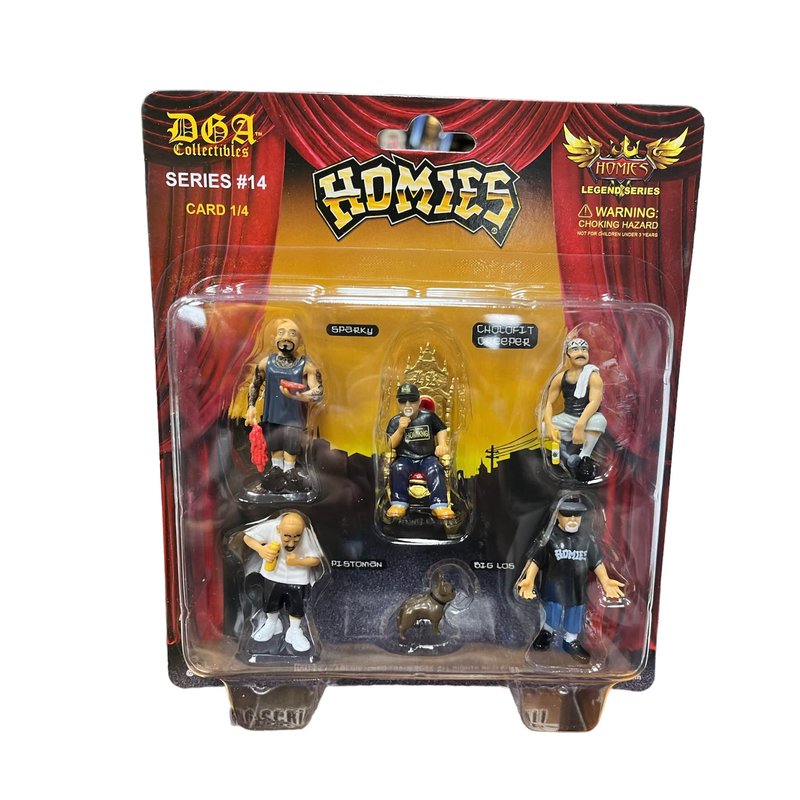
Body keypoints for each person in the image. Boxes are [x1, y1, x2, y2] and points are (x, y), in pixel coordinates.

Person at [515, 496, 625, 663]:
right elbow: (536, 560)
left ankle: (570, 641)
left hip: (577, 589)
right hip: (554, 586)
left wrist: (606, 581)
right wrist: (529, 580)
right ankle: (547, 632)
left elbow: (597, 562)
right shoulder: (549, 538)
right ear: (557, 515)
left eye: (577, 515)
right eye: (567, 514)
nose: (573, 519)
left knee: (575, 614)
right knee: (553, 611)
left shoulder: (586, 539)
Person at [244, 318, 322, 493]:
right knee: (275, 446)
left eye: (292, 334)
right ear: (275, 338)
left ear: (300, 341)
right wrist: (251, 406)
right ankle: (276, 472)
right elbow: (254, 385)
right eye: (281, 332)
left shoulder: (306, 366)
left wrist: (300, 395)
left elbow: (318, 391)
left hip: (294, 418)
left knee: (291, 447)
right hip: (271, 415)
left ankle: (290, 473)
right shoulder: (266, 363)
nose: (286, 337)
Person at [242, 511, 324, 653]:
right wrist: (261, 550)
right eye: (287, 537)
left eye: (296, 537)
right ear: (279, 529)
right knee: (270, 603)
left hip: (298, 579)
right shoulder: (271, 527)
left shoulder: (306, 534)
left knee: (296, 607)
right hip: (272, 576)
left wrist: (298, 561)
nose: (291, 543)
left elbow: (316, 559)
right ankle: (272, 624)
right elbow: (247, 537)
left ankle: (294, 631)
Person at [385, 383, 455, 520]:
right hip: (405, 458)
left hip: (427, 457)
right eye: (403, 401)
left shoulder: (429, 417)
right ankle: (399, 503)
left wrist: (442, 444)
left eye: (412, 400)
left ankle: (439, 504)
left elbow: (441, 429)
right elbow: (390, 444)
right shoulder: (395, 421)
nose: (407, 405)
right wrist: (400, 429)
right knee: (398, 468)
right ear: (398, 403)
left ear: (418, 402)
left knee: (435, 468)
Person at [543, 337, 606, 481]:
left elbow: (594, 402)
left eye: (584, 349)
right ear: (567, 354)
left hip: (587, 417)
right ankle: (562, 453)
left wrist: (580, 425)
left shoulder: (593, 377)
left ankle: (584, 457)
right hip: (568, 417)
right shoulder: (560, 378)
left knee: (599, 420)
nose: (581, 353)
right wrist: (549, 425)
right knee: (542, 427)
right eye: (575, 349)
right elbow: (548, 403)